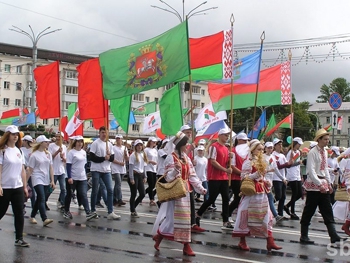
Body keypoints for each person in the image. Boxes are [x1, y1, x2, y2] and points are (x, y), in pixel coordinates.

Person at [152, 131, 206, 256]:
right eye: (186, 143)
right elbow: (168, 178)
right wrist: (175, 170)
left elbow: (192, 175)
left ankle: (159, 236)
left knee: (180, 219)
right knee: (179, 219)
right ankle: (186, 246)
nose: (187, 145)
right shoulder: (171, 157)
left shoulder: (186, 158)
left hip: (186, 191)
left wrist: (200, 187)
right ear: (180, 144)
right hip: (176, 192)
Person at [232, 139, 282, 252]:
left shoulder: (261, 161)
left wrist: (265, 181)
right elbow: (244, 177)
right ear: (253, 150)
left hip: (261, 192)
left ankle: (270, 241)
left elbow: (261, 177)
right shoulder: (248, 162)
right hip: (250, 193)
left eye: (262, 149)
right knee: (245, 216)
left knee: (266, 216)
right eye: (259, 149)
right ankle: (242, 241)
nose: (261, 151)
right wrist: (256, 175)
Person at [300, 129, 346, 245]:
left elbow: (324, 168)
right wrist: (319, 184)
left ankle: (333, 235)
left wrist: (329, 183)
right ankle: (303, 236)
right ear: (319, 139)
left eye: (327, 139)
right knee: (309, 210)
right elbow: (311, 171)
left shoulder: (324, 152)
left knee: (327, 210)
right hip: (314, 185)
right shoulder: (312, 152)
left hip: (323, 183)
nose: (327, 141)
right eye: (325, 139)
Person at [196, 127, 233, 230]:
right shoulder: (214, 147)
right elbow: (212, 161)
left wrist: (230, 158)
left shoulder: (226, 148)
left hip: (223, 178)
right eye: (225, 135)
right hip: (214, 177)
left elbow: (227, 164)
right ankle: (198, 214)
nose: (227, 137)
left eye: (228, 135)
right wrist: (225, 170)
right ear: (220, 135)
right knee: (212, 198)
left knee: (226, 198)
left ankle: (225, 220)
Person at [0, 125, 29, 247]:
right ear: (7, 135)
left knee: (19, 213)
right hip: (5, 187)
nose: (15, 136)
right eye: (13, 134)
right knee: (1, 211)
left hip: (17, 186)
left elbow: (22, 170)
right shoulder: (2, 151)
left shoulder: (19, 151)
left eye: (17, 134)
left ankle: (19, 238)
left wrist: (25, 186)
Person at [89, 126, 121, 220]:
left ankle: (110, 211)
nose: (104, 134)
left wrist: (109, 156)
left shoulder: (109, 144)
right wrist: (104, 158)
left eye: (105, 132)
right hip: (96, 170)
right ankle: (93, 210)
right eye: (102, 132)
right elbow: (92, 157)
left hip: (106, 170)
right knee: (95, 190)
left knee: (110, 190)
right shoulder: (95, 143)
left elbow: (112, 158)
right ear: (99, 133)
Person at [64, 136, 98, 221]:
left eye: (81, 142)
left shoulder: (83, 152)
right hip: (72, 177)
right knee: (69, 195)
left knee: (83, 194)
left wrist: (86, 174)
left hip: (82, 177)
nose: (80, 143)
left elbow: (85, 165)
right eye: (78, 142)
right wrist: (69, 177)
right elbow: (68, 165)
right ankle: (66, 211)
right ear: (75, 143)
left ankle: (88, 212)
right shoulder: (71, 152)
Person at [180, 124, 205, 232]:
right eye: (187, 132)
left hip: (186, 182)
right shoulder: (175, 148)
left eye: (190, 133)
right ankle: (161, 231)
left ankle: (192, 224)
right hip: (176, 184)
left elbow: (190, 169)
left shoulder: (189, 147)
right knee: (171, 210)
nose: (189, 134)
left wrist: (199, 187)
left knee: (190, 203)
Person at [28, 135, 55, 226]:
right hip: (37, 178)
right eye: (46, 142)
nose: (48, 143)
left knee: (39, 198)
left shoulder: (48, 154)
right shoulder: (34, 155)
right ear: (41, 143)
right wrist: (25, 183)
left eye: (48, 142)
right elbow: (30, 169)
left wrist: (52, 180)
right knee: (42, 197)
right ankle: (44, 218)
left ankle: (32, 216)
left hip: (45, 178)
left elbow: (50, 167)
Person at [229, 133, 249, 220]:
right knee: (238, 198)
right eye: (244, 140)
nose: (246, 142)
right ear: (239, 140)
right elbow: (232, 166)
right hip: (236, 178)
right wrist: (242, 173)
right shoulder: (233, 151)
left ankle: (237, 215)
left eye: (246, 141)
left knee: (242, 199)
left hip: (244, 178)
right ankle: (227, 213)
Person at [264, 141, 284, 222]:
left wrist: (283, 178)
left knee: (267, 200)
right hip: (263, 180)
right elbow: (261, 170)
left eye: (271, 148)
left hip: (270, 181)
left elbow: (275, 169)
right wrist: (268, 170)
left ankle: (267, 215)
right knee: (270, 198)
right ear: (265, 148)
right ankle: (276, 215)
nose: (269, 149)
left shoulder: (272, 157)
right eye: (268, 148)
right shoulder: (262, 157)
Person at [284, 137, 303, 220]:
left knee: (300, 194)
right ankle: (292, 212)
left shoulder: (298, 152)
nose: (299, 146)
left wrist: (301, 175)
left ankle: (287, 205)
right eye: (299, 144)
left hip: (297, 174)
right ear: (295, 143)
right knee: (295, 193)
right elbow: (289, 164)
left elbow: (299, 165)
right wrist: (297, 163)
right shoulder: (290, 153)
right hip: (291, 175)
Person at [272, 138, 291, 219]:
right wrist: (287, 164)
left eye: (281, 144)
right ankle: (269, 205)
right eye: (278, 145)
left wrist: (291, 162)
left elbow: (287, 165)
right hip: (276, 178)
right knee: (278, 196)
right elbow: (278, 166)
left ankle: (280, 213)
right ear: (275, 146)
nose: (280, 146)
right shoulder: (273, 155)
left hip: (283, 178)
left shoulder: (282, 155)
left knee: (283, 197)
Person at [128, 139, 147, 217]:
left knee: (142, 193)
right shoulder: (133, 155)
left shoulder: (143, 154)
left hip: (140, 174)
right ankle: (133, 210)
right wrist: (131, 178)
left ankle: (133, 206)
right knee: (134, 194)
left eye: (140, 145)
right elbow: (131, 168)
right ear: (135, 147)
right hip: (134, 174)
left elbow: (144, 166)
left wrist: (145, 176)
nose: (139, 147)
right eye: (138, 145)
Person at [48, 131, 67, 209]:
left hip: (61, 171)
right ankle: (44, 200)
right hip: (54, 171)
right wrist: (57, 152)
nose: (58, 138)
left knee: (63, 188)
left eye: (59, 137)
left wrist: (63, 158)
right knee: (51, 188)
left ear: (62, 138)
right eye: (57, 136)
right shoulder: (51, 146)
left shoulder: (64, 147)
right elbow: (49, 157)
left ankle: (61, 202)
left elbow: (65, 160)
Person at [111, 134, 128, 207]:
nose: (118, 140)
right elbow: (111, 159)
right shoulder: (113, 148)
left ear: (122, 140)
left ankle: (113, 199)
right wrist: (119, 163)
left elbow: (127, 159)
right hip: (115, 167)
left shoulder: (124, 148)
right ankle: (119, 199)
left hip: (122, 168)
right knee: (118, 184)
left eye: (119, 139)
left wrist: (126, 155)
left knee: (117, 185)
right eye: (117, 139)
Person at [21, 135, 35, 211]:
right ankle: (22, 205)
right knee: (23, 189)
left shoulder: (33, 150)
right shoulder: (21, 149)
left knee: (32, 190)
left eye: (24, 140)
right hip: (23, 173)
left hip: (30, 173)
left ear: (26, 141)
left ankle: (34, 207)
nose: (22, 142)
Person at [144, 137, 158, 206]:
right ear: (150, 142)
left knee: (153, 185)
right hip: (148, 168)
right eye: (153, 141)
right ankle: (151, 199)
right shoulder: (146, 150)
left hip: (154, 169)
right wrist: (150, 161)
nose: (154, 143)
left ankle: (142, 194)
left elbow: (156, 159)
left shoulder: (155, 150)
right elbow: (144, 159)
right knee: (151, 184)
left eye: (155, 142)